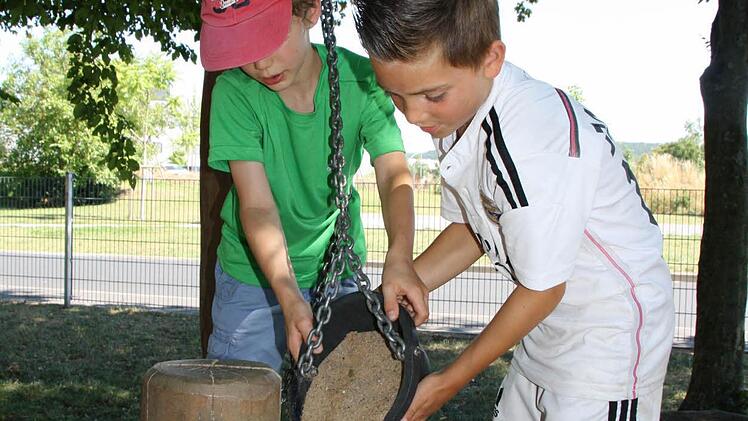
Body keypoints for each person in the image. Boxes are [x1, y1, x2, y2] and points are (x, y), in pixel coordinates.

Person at [353, 1, 675, 420]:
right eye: (395, 94)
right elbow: (477, 226)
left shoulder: (530, 141)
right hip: (547, 326)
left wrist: (448, 382)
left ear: (491, 59)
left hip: (608, 342)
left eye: (432, 95)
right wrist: (404, 283)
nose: (414, 115)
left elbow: (544, 287)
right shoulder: (457, 115)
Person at [199, 0, 429, 373]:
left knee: (342, 396)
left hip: (338, 271)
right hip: (251, 282)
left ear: (310, 12)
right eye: (243, 47)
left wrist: (400, 255)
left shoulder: (362, 80)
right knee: (240, 397)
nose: (259, 63)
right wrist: (288, 296)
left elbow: (393, 174)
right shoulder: (235, 92)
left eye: (266, 39)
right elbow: (257, 206)